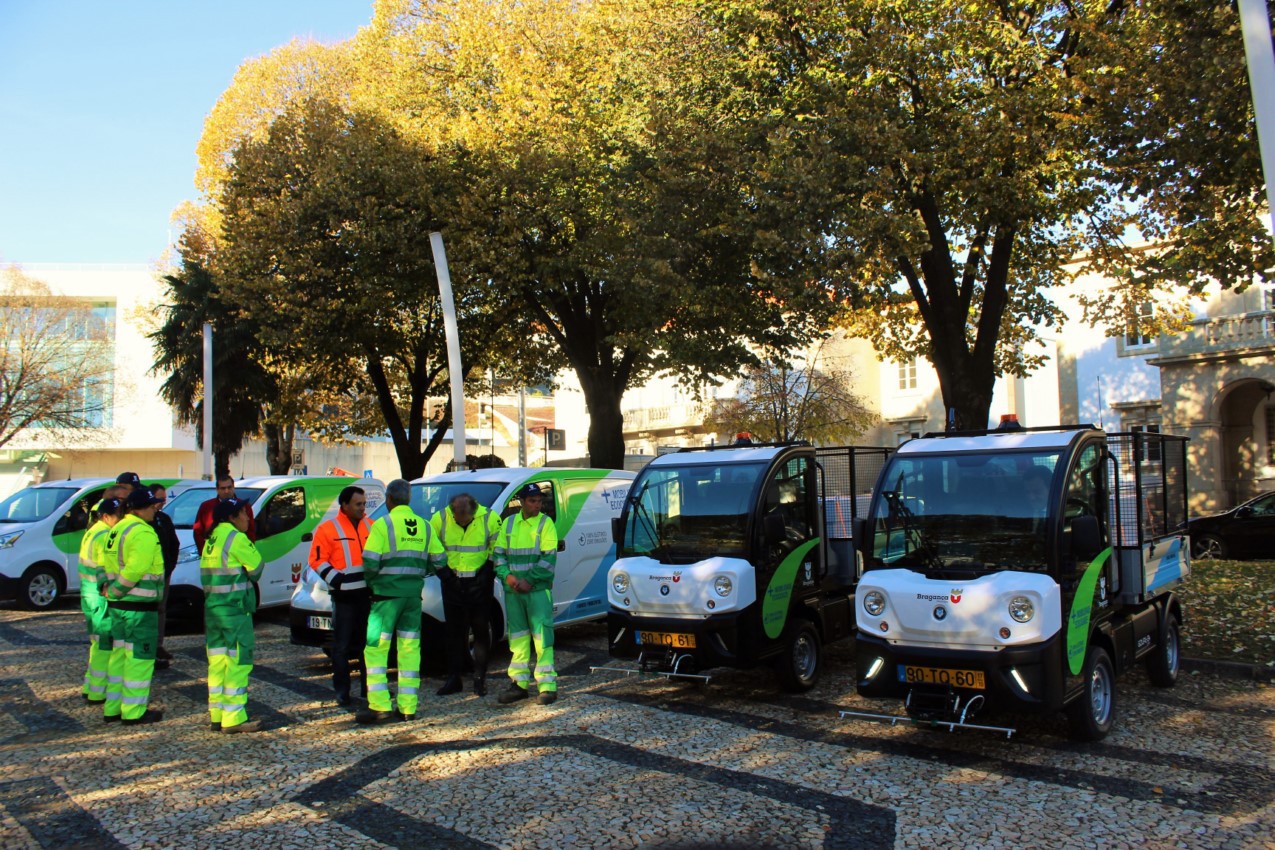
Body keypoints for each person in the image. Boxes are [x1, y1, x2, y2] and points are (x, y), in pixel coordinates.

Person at [356, 479, 444, 724]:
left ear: (388, 500)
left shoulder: (383, 525)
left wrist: (373, 582)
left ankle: (380, 706)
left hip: (385, 597)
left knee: (376, 649)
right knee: (409, 649)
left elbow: (371, 560)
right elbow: (439, 560)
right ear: (409, 499)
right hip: (413, 598)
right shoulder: (425, 526)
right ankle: (408, 708)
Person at [101, 488, 167, 725]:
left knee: (118, 656)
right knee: (140, 659)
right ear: (139, 508)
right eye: (151, 506)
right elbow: (135, 569)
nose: (155, 509)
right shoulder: (143, 532)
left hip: (119, 606)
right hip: (139, 605)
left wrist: (112, 592)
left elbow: (105, 562)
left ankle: (113, 707)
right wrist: (119, 590)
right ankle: (134, 711)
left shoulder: (117, 528)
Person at [201, 496, 265, 733]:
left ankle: (217, 714)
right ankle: (234, 718)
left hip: (214, 609)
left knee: (217, 663)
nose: (248, 517)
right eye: (244, 513)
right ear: (231, 517)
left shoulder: (213, 537)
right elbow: (257, 567)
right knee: (238, 661)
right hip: (234, 610)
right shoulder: (235, 538)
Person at [494, 483, 560, 706]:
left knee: (543, 639)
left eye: (539, 501)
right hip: (514, 591)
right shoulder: (509, 523)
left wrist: (528, 580)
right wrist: (508, 577)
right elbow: (499, 554)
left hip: (537, 591)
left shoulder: (546, 523)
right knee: (518, 639)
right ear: (522, 502)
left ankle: (547, 685)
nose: (537, 505)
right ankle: (519, 684)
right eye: (532, 501)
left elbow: (549, 558)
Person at [430, 492, 501, 697]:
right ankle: (454, 678)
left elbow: (497, 547)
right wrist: (444, 573)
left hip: (480, 582)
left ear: (474, 511)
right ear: (452, 512)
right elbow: (432, 547)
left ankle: (480, 678)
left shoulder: (489, 518)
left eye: (466, 519)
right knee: (453, 632)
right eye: (458, 519)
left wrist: (487, 572)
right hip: (452, 581)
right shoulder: (440, 519)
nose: (462, 522)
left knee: (480, 630)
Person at [307, 485, 372, 706]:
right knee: (342, 646)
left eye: (364, 504)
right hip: (344, 597)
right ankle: (342, 692)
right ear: (344, 505)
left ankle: (368, 689)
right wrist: (337, 580)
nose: (362, 508)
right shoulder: (328, 529)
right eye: (358, 504)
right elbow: (316, 560)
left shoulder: (371, 526)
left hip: (367, 595)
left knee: (368, 645)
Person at [78, 497, 122, 705]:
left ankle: (91, 687)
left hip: (88, 594)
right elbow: (105, 566)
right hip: (99, 595)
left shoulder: (92, 531)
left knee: (96, 643)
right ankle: (99, 691)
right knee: (104, 643)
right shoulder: (105, 535)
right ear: (106, 516)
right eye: (117, 515)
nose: (121, 518)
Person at [147, 483, 181, 669]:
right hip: (145, 578)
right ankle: (148, 648)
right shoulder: (143, 521)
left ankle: (158, 646)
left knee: (161, 609)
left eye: (164, 499)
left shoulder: (163, 519)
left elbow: (173, 545)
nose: (162, 503)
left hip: (163, 574)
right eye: (159, 499)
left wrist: (169, 567)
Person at [193, 476, 257, 552]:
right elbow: (197, 532)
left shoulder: (244, 506)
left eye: (229, 487)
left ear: (233, 487)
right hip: (213, 556)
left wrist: (246, 551)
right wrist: (205, 552)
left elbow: (250, 532)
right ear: (217, 490)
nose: (226, 491)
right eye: (223, 488)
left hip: (238, 554)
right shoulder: (206, 506)